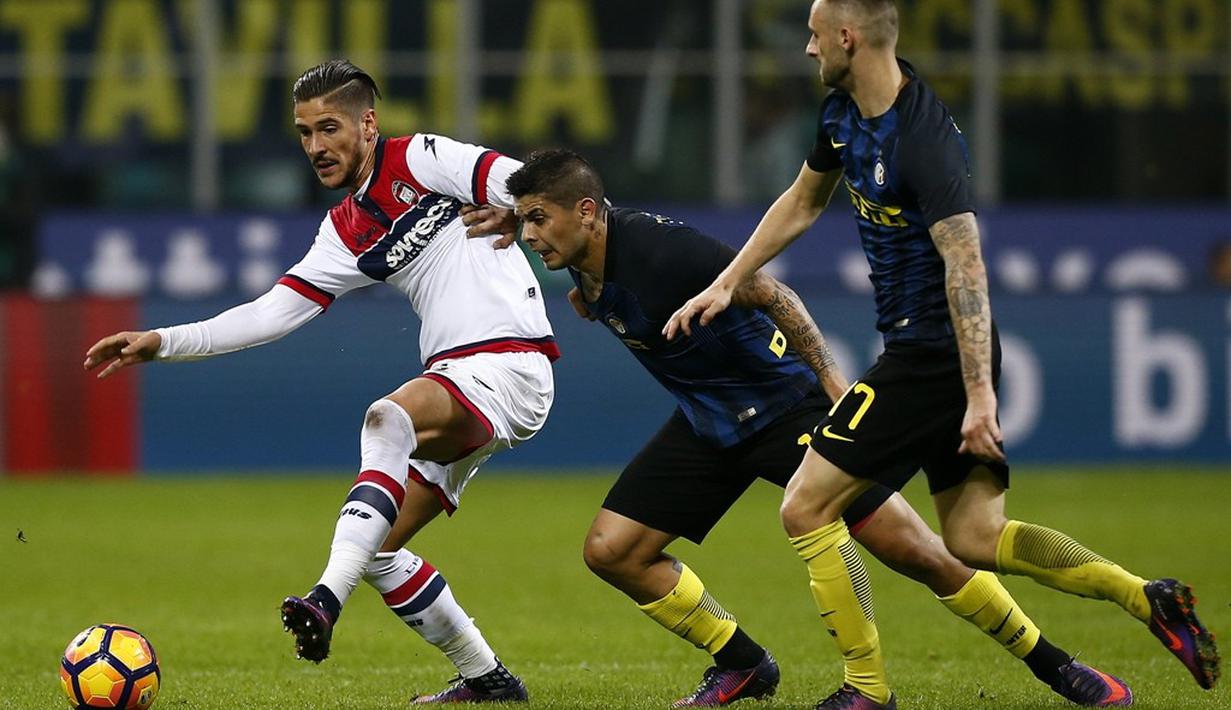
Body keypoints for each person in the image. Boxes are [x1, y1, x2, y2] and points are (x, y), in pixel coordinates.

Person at [664, 1, 1221, 708]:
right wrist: (727, 281)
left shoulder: (922, 139)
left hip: (928, 356)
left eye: (812, 35)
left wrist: (980, 397)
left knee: (803, 506)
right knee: (973, 537)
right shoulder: (841, 116)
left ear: (846, 36)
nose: (805, 50)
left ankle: (864, 689)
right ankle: (1145, 597)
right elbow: (802, 202)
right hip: (930, 355)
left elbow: (966, 265)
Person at [470, 148, 1129, 708]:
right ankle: (744, 662)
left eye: (539, 220)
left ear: (586, 212)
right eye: (525, 220)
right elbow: (579, 263)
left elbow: (776, 295)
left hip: (785, 409)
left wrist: (836, 389)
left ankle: (1057, 666)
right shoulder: (583, 261)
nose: (530, 236)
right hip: (709, 423)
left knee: (918, 552)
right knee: (613, 551)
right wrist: (530, 223)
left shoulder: (664, 251)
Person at [83, 60, 557, 704]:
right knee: (380, 551)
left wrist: (522, 210)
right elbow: (269, 314)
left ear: (368, 123)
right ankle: (489, 680)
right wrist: (162, 341)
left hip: (508, 363)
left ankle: (326, 598)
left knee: (387, 417)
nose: (315, 147)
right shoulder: (344, 231)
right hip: (461, 381)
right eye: (304, 133)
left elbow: (533, 184)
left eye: (328, 128)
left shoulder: (422, 158)